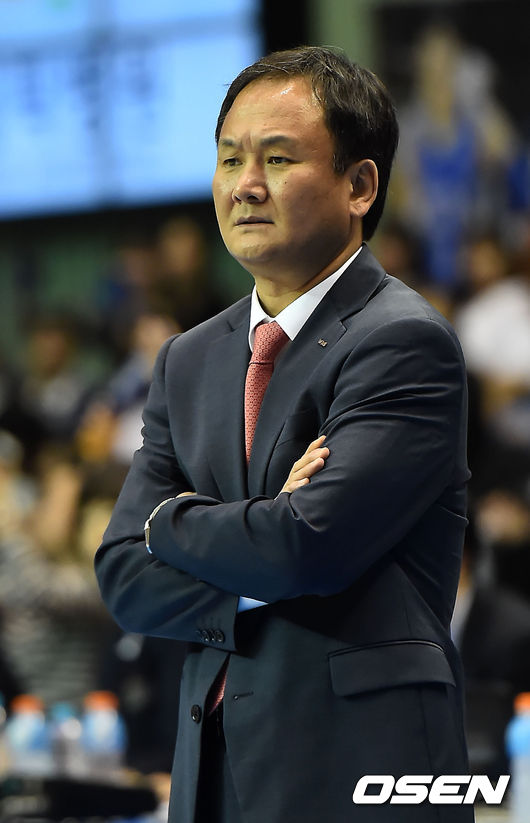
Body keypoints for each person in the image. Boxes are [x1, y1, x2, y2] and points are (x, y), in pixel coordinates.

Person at [95, 46, 471, 823]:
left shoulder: (402, 340)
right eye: (230, 158)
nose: (245, 184)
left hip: (357, 771)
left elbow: (308, 545)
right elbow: (125, 577)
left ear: (360, 185)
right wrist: (262, 530)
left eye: (277, 158)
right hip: (211, 774)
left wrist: (170, 522)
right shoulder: (188, 359)